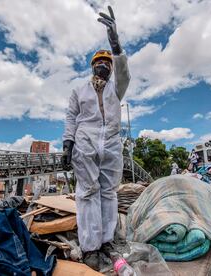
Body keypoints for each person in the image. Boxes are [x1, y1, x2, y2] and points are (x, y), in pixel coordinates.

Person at [61, 6, 130, 270]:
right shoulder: (79, 90)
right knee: (87, 193)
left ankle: (106, 241)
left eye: (107, 63)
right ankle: (90, 247)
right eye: (99, 62)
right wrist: (68, 144)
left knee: (109, 194)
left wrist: (115, 43)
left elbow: (125, 72)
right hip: (85, 145)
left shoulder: (117, 88)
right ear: (92, 67)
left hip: (111, 146)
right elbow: (71, 117)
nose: (103, 65)